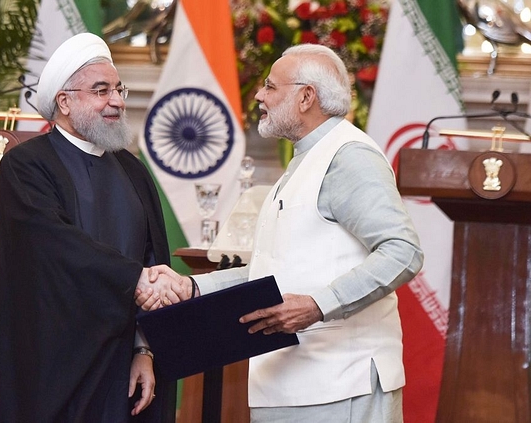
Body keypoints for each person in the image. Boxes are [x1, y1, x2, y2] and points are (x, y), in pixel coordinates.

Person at [140, 44, 424, 422]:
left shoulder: (349, 156)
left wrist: (319, 305)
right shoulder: (304, 159)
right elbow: (272, 270)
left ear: (306, 96)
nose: (259, 95)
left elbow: (403, 251)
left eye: (271, 87)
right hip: (293, 384)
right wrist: (191, 288)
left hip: (342, 384)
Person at [0, 33, 188, 423]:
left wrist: (144, 351)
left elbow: (152, 255)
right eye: (101, 90)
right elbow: (54, 246)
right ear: (65, 101)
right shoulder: (27, 165)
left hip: (119, 367)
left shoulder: (133, 170)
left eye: (118, 89)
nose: (116, 100)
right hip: (49, 364)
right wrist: (138, 280)